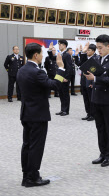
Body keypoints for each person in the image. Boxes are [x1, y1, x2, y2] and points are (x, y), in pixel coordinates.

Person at [17, 43, 65, 187]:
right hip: (38, 114)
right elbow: (54, 85)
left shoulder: (22, 70)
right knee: (36, 147)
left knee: (27, 145)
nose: (43, 56)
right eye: (42, 54)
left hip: (26, 112)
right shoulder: (37, 72)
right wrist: (61, 69)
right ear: (36, 55)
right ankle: (33, 177)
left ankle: (26, 175)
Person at [84, 34, 109, 167]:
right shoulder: (97, 58)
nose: (98, 50)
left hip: (108, 99)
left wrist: (95, 79)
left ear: (108, 46)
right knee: (100, 128)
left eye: (100, 48)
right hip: (97, 97)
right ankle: (102, 153)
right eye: (97, 48)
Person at [48, 40, 73, 116]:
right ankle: (62, 109)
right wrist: (49, 50)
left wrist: (67, 78)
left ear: (65, 46)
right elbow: (52, 58)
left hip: (64, 77)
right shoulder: (60, 54)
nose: (59, 46)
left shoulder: (67, 55)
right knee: (61, 93)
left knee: (65, 94)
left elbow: (69, 67)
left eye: (61, 44)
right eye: (59, 44)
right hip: (59, 76)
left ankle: (66, 110)